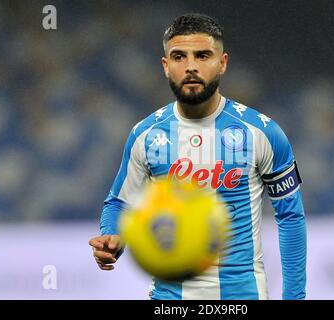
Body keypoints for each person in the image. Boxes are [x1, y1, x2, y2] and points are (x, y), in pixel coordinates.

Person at [88, 13, 306, 300]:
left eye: (203, 55)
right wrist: (112, 236)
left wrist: (294, 298)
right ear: (166, 66)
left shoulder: (262, 133)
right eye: (179, 57)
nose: (191, 66)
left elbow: (290, 216)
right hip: (169, 300)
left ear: (223, 63)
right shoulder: (145, 134)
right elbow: (119, 201)